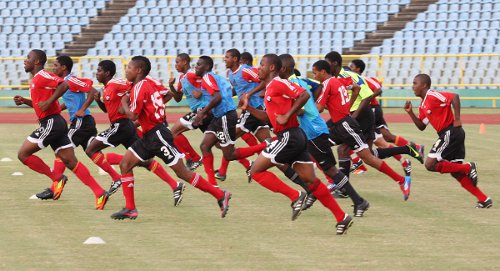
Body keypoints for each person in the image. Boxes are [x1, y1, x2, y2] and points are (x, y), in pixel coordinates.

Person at [242, 54, 353, 234]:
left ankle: (295, 196)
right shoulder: (271, 88)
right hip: (295, 136)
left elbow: (303, 94)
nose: (258, 68)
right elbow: (267, 118)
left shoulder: (278, 82)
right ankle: (342, 217)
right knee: (312, 181)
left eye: (261, 64)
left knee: (255, 171)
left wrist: (288, 115)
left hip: (288, 137)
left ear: (272, 68)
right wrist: (248, 108)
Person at [111, 56, 231, 220]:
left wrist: (124, 103)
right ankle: (130, 208)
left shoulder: (139, 87)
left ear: (138, 70)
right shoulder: (148, 83)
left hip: (158, 135)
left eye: (129, 67)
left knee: (183, 173)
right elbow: (163, 96)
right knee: (125, 164)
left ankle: (220, 195)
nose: (127, 71)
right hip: (150, 135)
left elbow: (132, 116)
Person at [14, 49, 109, 209]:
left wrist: (50, 100)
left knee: (23, 154)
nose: (25, 60)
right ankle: (100, 192)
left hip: (51, 123)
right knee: (70, 162)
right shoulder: (37, 80)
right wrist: (26, 101)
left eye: (28, 58)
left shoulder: (43, 76)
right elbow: (48, 105)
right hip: (55, 122)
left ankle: (56, 178)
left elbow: (64, 84)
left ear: (37, 62)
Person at [279, 54, 370, 216]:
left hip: (313, 131)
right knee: (300, 164)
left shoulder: (293, 84)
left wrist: (286, 114)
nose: (314, 75)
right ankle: (313, 191)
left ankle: (358, 201)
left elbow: (303, 108)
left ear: (283, 69)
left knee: (330, 170)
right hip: (310, 132)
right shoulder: (298, 82)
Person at [89, 60, 187, 207]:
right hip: (125, 127)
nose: (96, 74)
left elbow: (138, 85)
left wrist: (152, 103)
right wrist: (99, 102)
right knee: (144, 161)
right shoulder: (107, 88)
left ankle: (116, 178)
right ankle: (175, 185)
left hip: (121, 126)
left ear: (107, 73)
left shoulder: (117, 83)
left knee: (91, 148)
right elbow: (110, 111)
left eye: (99, 70)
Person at [312, 60, 412, 201]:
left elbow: (319, 108)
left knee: (368, 157)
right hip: (342, 124)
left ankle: (401, 180)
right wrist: (344, 108)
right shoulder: (337, 81)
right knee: (331, 148)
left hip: (346, 125)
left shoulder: (327, 84)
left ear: (323, 72)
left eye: (315, 73)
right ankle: (339, 185)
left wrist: (301, 111)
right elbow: (356, 88)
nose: (314, 76)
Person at [324, 52, 424, 180]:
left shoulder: (349, 76)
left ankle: (342, 186)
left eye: (327, 63)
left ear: (335, 63)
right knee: (369, 153)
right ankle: (408, 149)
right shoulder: (333, 80)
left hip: (362, 115)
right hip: (353, 116)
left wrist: (353, 116)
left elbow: (369, 93)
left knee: (341, 148)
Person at [404, 74, 492, 208]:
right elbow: (422, 125)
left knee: (430, 164)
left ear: (424, 85)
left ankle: (468, 167)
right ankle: (484, 199)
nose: (413, 86)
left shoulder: (432, 95)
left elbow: (454, 97)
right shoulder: (422, 105)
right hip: (451, 134)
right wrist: (410, 112)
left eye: (415, 83)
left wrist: (457, 118)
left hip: (450, 132)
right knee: (456, 173)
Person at [348, 59, 423, 175]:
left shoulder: (363, 80)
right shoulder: (350, 81)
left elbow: (378, 88)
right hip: (365, 111)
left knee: (353, 139)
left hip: (370, 110)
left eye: (351, 66)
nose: (350, 68)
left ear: (357, 69)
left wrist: (367, 99)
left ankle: (358, 165)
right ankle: (406, 159)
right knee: (381, 141)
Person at [192, 56, 251, 185]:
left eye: (199, 64)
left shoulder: (207, 77)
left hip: (225, 116)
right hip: (220, 116)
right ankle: (212, 183)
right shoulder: (216, 78)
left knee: (229, 154)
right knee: (204, 146)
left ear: (207, 67)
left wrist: (201, 113)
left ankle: (265, 146)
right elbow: (224, 94)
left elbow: (217, 97)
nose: (196, 66)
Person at [214, 48, 270, 181]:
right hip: (250, 111)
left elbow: (264, 80)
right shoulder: (231, 73)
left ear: (234, 59)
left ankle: (229, 170)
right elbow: (239, 89)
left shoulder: (245, 70)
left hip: (254, 109)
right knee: (270, 145)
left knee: (224, 140)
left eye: (227, 57)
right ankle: (294, 170)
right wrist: (224, 96)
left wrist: (249, 95)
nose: (224, 59)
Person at [166, 53, 204, 170]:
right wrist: (171, 86)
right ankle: (193, 158)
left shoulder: (193, 74)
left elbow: (207, 83)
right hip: (198, 111)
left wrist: (201, 91)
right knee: (219, 144)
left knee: (172, 133)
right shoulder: (182, 78)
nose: (175, 65)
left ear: (185, 62)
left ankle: (192, 158)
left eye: (177, 62)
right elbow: (178, 98)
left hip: (202, 110)